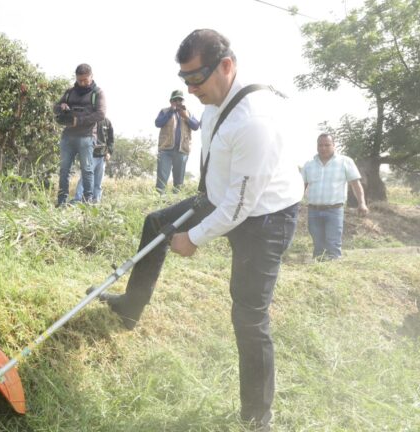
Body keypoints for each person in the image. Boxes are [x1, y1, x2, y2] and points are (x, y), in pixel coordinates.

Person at [95, 29, 303, 430]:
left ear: (226, 66)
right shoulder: (213, 99)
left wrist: (193, 237)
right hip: (223, 196)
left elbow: (240, 206)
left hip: (266, 217)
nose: (190, 90)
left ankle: (257, 417)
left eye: (196, 79)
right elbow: (223, 182)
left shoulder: (254, 119)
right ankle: (130, 308)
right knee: (157, 224)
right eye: (184, 80)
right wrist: (194, 213)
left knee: (249, 314)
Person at [301, 133, 368, 260]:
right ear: (317, 146)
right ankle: (319, 272)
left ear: (334, 145)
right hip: (313, 210)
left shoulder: (345, 162)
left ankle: (334, 268)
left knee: (333, 243)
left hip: (334, 210)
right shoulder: (309, 164)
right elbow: (301, 186)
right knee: (318, 244)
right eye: (320, 145)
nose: (323, 148)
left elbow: (355, 184)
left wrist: (362, 203)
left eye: (327, 145)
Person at [54, 64, 107, 207]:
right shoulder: (69, 92)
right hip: (67, 137)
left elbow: (101, 114)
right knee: (64, 170)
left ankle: (87, 202)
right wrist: (62, 107)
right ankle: (61, 202)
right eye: (79, 80)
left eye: (85, 80)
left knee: (87, 170)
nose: (82, 83)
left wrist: (80, 120)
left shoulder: (98, 93)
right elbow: (55, 107)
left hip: (86, 136)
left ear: (91, 76)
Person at [155, 89, 200, 193]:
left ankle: (175, 202)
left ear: (183, 101)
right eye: (175, 100)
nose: (178, 102)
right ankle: (158, 200)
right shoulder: (164, 111)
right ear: (171, 101)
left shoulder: (188, 113)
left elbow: (196, 126)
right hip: (165, 150)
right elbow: (158, 123)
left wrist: (186, 117)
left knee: (179, 182)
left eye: (180, 100)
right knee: (161, 179)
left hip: (182, 150)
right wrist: (171, 111)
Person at [72, 118, 114, 203]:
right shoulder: (88, 119)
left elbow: (111, 139)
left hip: (102, 156)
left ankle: (96, 200)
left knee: (98, 181)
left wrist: (109, 152)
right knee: (85, 178)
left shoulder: (107, 122)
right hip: (89, 155)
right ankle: (77, 200)